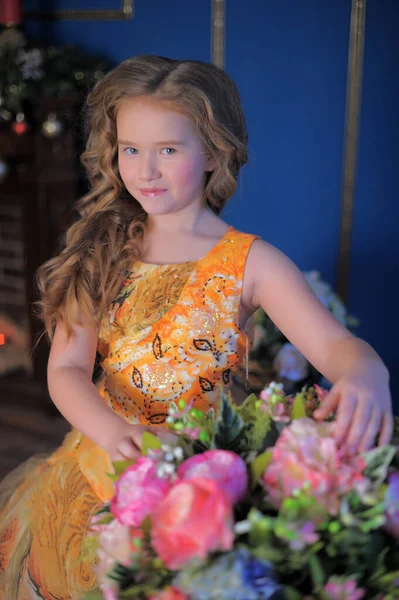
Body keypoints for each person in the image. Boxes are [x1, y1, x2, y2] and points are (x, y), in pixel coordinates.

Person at [0, 55, 393, 599]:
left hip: (202, 484)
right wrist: (116, 436)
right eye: (131, 149)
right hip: (102, 464)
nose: (146, 170)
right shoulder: (100, 248)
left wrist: (367, 372)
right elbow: (65, 369)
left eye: (168, 150)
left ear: (214, 151)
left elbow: (338, 346)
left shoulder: (252, 263)